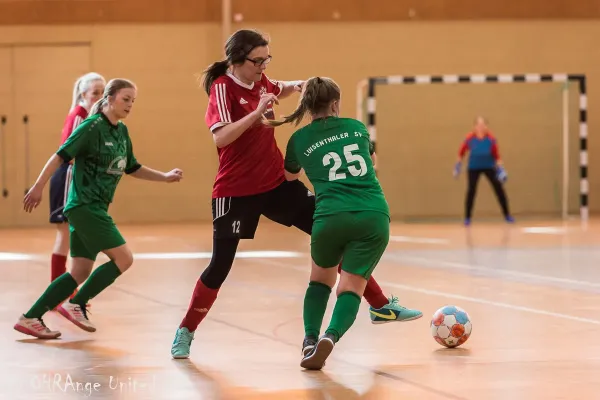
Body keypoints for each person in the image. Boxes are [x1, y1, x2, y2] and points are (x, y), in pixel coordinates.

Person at [171, 29, 421, 359]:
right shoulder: (222, 88)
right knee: (220, 265)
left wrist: (299, 86)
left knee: (334, 237)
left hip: (277, 184)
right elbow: (221, 138)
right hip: (236, 190)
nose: (263, 66)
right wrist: (257, 112)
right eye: (258, 60)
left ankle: (380, 306)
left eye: (267, 59)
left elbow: (279, 88)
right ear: (237, 60)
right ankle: (186, 330)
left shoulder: (261, 80)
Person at [14, 78, 184, 339]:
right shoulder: (91, 127)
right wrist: (37, 187)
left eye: (133, 101)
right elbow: (59, 156)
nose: (129, 105)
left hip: (97, 208)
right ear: (110, 98)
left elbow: (132, 167)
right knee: (124, 258)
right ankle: (76, 303)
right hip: (84, 206)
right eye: (125, 99)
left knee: (80, 270)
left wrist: (165, 176)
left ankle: (31, 317)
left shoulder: (121, 131)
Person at [268, 76, 393, 370]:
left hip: (328, 217)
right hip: (372, 214)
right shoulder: (357, 128)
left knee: (319, 280)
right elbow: (372, 162)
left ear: (307, 106)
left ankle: (309, 339)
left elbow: (289, 178)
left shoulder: (298, 139)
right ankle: (331, 336)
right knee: (351, 286)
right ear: (335, 103)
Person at [49, 72, 105, 299]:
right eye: (95, 93)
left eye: (103, 93)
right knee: (65, 233)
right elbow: (71, 153)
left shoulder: (87, 114)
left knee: (73, 233)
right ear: (84, 93)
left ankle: (65, 288)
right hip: (67, 176)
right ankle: (58, 290)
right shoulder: (81, 115)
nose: (100, 97)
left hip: (75, 176)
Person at [453, 116, 514, 225]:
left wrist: (501, 169)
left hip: (489, 166)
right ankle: (467, 218)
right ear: (475, 127)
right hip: (473, 168)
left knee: (499, 189)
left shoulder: (491, 139)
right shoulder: (470, 138)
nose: (481, 127)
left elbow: (497, 156)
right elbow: (461, 153)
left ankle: (507, 215)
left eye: (483, 125)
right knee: (471, 190)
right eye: (478, 125)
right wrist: (457, 165)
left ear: (486, 126)